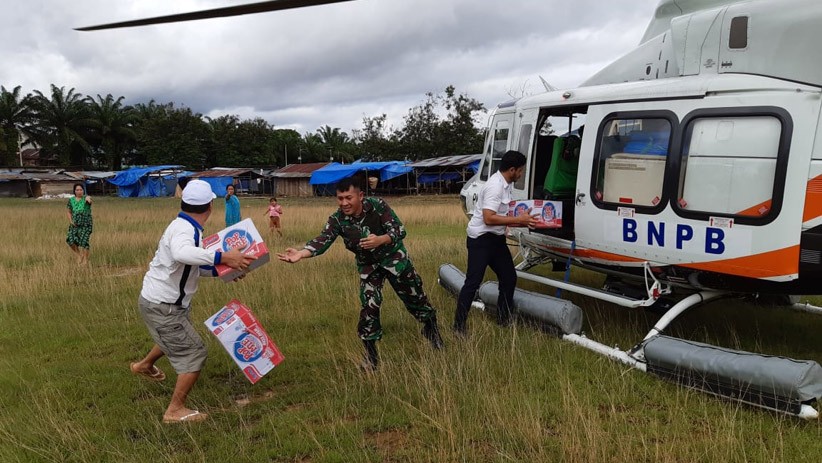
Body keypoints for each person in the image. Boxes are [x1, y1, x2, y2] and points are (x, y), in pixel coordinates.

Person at [277, 177, 443, 370]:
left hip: (395, 261)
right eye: (340, 198)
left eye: (349, 197)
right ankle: (371, 357)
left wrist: (380, 239)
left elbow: (399, 230)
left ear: (360, 196)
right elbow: (323, 240)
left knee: (417, 300)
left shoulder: (377, 206)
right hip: (369, 266)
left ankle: (432, 331)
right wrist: (301, 253)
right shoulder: (338, 219)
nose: (344, 203)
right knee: (369, 306)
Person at [130, 179, 256, 423]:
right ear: (210, 205)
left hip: (160, 302)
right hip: (163, 306)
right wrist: (224, 256)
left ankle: (144, 365)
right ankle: (174, 410)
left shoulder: (185, 227)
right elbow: (181, 253)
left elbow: (191, 266)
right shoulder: (185, 231)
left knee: (175, 336)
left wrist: (223, 270)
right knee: (195, 352)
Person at [454, 150, 537, 335]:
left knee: (509, 278)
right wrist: (519, 221)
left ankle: (503, 319)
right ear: (512, 169)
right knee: (472, 283)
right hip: (481, 240)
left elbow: (500, 214)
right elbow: (489, 218)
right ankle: (459, 327)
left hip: (496, 239)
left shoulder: (506, 184)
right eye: (521, 171)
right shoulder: (495, 186)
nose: (521, 174)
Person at [66, 183, 93, 265]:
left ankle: (85, 260)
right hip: (75, 223)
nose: (79, 191)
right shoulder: (71, 200)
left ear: (83, 190)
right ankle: (79, 255)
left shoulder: (86, 198)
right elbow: (69, 211)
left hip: (85, 223)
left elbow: (90, 201)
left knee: (84, 242)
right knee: (70, 240)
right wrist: (70, 221)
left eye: (81, 190)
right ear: (74, 191)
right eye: (77, 190)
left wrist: (88, 199)